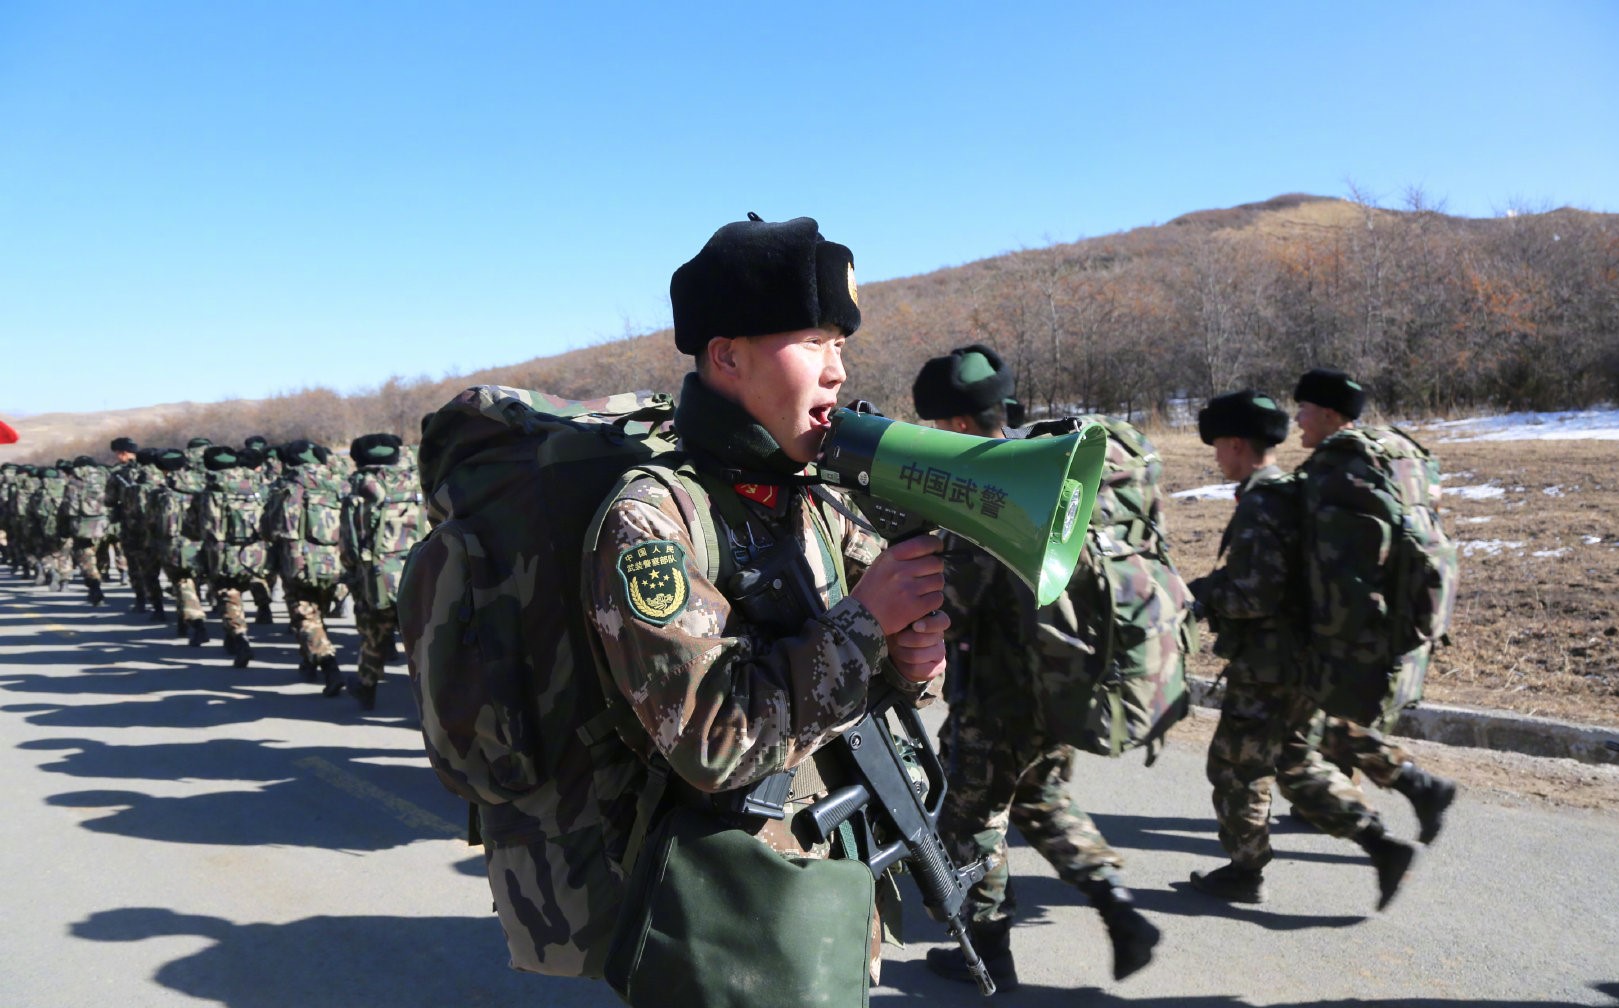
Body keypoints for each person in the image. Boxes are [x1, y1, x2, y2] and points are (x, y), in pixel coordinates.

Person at [583, 214, 950, 998]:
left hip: (824, 889)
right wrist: (864, 623)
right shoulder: (651, 520)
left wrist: (912, 663)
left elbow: (862, 668)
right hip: (731, 915)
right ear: (725, 356)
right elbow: (714, 745)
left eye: (840, 345)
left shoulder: (812, 499)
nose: (836, 372)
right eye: (811, 341)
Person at [911, 344, 1160, 990]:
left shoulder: (987, 489)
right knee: (1041, 798)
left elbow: (956, 602)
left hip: (997, 693)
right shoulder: (1050, 464)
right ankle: (1120, 910)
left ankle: (989, 953)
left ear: (960, 424)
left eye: (941, 425)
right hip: (1059, 678)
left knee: (966, 820)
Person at [1186, 390, 1415, 909]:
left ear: (1238, 445)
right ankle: (1380, 844)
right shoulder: (1290, 490)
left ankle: (1245, 871)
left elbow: (1256, 593)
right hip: (1304, 660)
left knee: (1235, 767)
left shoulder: (1262, 501)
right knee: (1294, 760)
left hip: (1268, 664)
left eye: (1219, 447)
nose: (1217, 458)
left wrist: (1202, 595)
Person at [1292, 368, 1457, 843]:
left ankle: (1411, 794)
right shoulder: (1401, 449)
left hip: (1361, 625)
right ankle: (1337, 801)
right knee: (1338, 720)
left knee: (1313, 722)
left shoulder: (1336, 465)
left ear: (1328, 413)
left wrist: (1316, 635)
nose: (1297, 418)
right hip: (1410, 614)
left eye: (1303, 409)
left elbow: (1334, 568)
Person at [338, 432, 424, 710]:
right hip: (420, 568)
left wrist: (351, 570)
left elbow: (349, 540)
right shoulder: (415, 479)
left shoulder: (360, 486)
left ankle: (366, 686)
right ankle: (434, 702)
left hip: (379, 575)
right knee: (423, 637)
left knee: (375, 630)